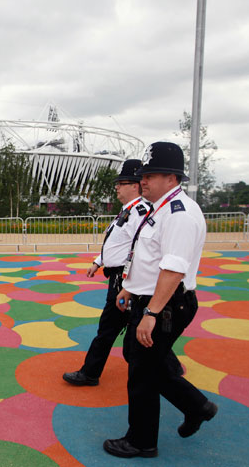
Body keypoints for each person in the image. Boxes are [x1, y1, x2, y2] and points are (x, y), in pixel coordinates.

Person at [103, 141, 217, 459]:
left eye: (150, 175)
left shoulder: (179, 215)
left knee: (142, 371)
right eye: (143, 175)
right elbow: (149, 258)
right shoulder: (161, 208)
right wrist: (130, 287)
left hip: (166, 304)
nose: (143, 181)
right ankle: (197, 406)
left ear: (171, 177)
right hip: (151, 298)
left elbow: (173, 269)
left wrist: (151, 311)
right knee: (139, 359)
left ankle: (141, 441)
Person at [62, 159, 149, 386]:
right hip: (120, 276)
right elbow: (116, 244)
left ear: (136, 185)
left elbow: (139, 248)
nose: (117, 187)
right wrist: (98, 262)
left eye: (122, 183)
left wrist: (129, 283)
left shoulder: (140, 211)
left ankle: (90, 373)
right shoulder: (127, 210)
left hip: (126, 279)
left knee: (110, 328)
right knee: (130, 327)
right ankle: (169, 368)